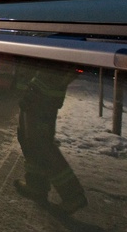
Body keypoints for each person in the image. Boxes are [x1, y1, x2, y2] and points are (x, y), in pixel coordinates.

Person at [13, 64, 88, 214]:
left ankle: (73, 195)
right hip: (38, 92)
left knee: (41, 144)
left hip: (42, 95)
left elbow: (55, 67)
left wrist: (34, 91)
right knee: (30, 140)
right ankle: (36, 184)